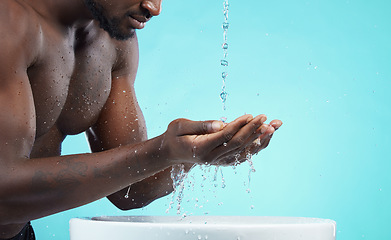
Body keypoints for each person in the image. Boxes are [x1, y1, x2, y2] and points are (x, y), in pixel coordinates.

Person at [0, 0, 283, 239]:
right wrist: (160, 151)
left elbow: (130, 190)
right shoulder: (9, 22)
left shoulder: (112, 42)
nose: (154, 7)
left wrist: (190, 156)